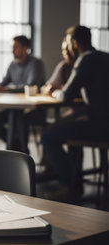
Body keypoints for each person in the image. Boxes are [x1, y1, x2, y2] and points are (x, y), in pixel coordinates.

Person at [41, 25, 109, 199]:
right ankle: (74, 183)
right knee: (72, 132)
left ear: (75, 44)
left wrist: (53, 92)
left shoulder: (85, 60)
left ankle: (70, 185)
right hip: (104, 124)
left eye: (69, 43)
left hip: (99, 126)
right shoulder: (104, 57)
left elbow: (65, 95)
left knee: (48, 136)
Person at [0, 35, 45, 152]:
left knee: (18, 117)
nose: (12, 51)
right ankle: (16, 147)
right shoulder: (13, 64)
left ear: (25, 48)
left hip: (34, 109)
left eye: (15, 47)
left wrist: (8, 90)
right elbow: (3, 83)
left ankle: (19, 151)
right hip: (16, 107)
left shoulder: (35, 63)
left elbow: (31, 85)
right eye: (12, 48)